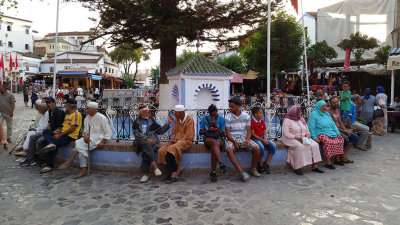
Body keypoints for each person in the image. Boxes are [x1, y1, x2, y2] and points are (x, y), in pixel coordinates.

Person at [58, 102, 112, 178]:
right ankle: (82, 170)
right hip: (89, 138)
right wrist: (85, 136)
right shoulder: (87, 118)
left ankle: (71, 161)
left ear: (94, 109)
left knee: (79, 144)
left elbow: (108, 131)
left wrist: (103, 142)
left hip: (98, 138)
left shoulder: (102, 118)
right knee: (81, 146)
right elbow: (85, 131)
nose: (86, 110)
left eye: (88, 109)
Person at [20, 97, 66, 167]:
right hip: (50, 131)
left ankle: (43, 160)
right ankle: (31, 159)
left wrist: (50, 133)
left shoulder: (59, 112)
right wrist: (45, 132)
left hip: (56, 132)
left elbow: (60, 127)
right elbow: (49, 124)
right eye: (47, 103)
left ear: (54, 103)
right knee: (33, 136)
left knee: (40, 141)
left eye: (49, 103)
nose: (48, 104)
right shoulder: (50, 111)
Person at [39, 98, 82, 173]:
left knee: (52, 146)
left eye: (66, 104)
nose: (65, 106)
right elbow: (64, 126)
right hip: (62, 133)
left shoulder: (76, 114)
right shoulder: (67, 114)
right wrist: (58, 131)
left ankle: (49, 165)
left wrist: (59, 135)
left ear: (69, 105)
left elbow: (72, 129)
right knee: (46, 132)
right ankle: (50, 144)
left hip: (70, 136)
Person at [132, 105, 173, 183]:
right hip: (140, 141)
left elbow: (160, 131)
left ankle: (145, 174)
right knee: (147, 144)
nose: (148, 114)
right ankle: (155, 166)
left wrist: (168, 123)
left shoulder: (151, 121)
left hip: (151, 143)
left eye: (148, 112)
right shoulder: (136, 122)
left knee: (147, 149)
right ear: (141, 113)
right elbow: (137, 134)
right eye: (146, 112)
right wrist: (147, 139)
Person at [225, 97, 261, 182]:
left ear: (238, 106)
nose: (230, 108)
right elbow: (228, 134)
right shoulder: (228, 117)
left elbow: (248, 131)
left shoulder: (246, 116)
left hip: (243, 138)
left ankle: (253, 168)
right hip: (232, 139)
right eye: (229, 106)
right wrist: (234, 142)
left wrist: (247, 140)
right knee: (229, 150)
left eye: (232, 107)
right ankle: (242, 173)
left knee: (257, 148)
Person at [282, 105, 323, 175]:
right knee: (300, 147)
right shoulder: (287, 121)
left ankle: (314, 166)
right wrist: (297, 138)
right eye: (299, 111)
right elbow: (286, 134)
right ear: (295, 112)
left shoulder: (301, 119)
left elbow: (307, 129)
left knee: (315, 145)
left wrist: (308, 135)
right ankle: (297, 167)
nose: (301, 112)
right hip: (291, 138)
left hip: (303, 138)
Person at [158, 105, 195, 184]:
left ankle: (174, 173)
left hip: (186, 141)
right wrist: (173, 138)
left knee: (171, 149)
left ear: (181, 113)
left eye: (176, 113)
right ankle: (177, 167)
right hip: (176, 141)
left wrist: (179, 141)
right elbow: (174, 131)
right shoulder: (177, 119)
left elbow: (188, 135)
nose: (174, 114)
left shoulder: (189, 120)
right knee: (161, 150)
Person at [307, 100, 344, 170]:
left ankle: (337, 159)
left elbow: (333, 125)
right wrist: (314, 137)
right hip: (320, 132)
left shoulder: (327, 114)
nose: (324, 108)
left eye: (325, 106)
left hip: (330, 131)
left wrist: (337, 133)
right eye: (322, 106)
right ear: (318, 107)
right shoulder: (314, 114)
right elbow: (311, 127)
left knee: (340, 139)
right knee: (327, 141)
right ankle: (328, 162)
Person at [199, 104, 228, 183]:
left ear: (217, 112)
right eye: (211, 115)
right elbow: (200, 132)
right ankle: (221, 164)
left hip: (218, 138)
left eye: (214, 114)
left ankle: (213, 172)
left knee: (214, 147)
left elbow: (223, 134)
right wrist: (208, 130)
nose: (213, 116)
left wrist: (216, 126)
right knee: (213, 143)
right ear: (208, 113)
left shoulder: (221, 119)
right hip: (208, 138)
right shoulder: (204, 119)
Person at [328, 97, 359, 164]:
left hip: (340, 129)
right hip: (333, 130)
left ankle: (343, 155)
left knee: (355, 137)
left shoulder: (337, 110)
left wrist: (345, 130)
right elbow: (331, 127)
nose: (336, 104)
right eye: (333, 102)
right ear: (330, 103)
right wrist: (344, 131)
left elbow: (340, 122)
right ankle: (339, 158)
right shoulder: (328, 112)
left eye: (336, 102)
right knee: (345, 138)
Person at [250, 106, 276, 174]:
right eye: (261, 113)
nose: (262, 114)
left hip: (262, 138)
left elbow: (264, 132)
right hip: (255, 138)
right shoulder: (252, 121)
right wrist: (262, 140)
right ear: (255, 114)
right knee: (261, 147)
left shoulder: (262, 122)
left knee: (273, 146)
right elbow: (253, 134)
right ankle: (260, 164)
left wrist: (265, 139)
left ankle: (266, 163)